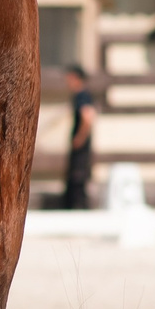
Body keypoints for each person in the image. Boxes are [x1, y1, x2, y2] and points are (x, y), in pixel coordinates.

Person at [61, 64, 99, 210]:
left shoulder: (82, 95)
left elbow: (88, 117)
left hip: (81, 146)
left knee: (77, 178)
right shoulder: (83, 95)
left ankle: (78, 208)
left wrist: (80, 137)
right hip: (82, 145)